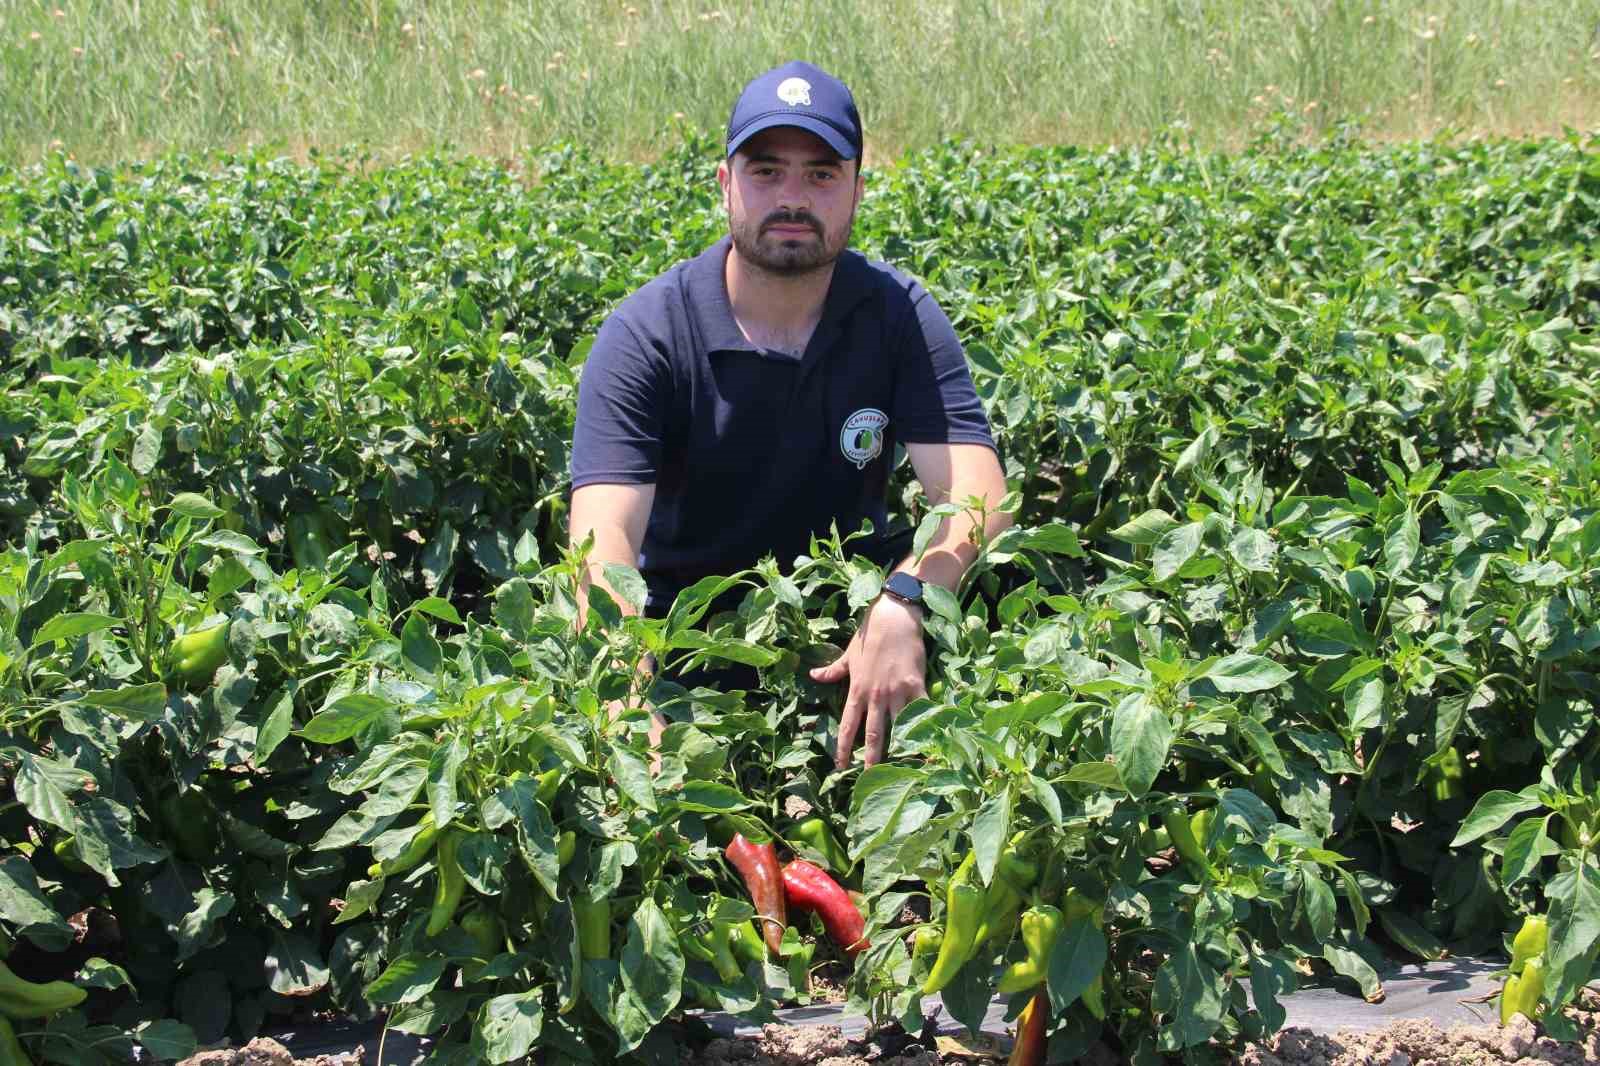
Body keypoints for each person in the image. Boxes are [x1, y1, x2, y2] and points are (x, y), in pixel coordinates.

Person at [568, 60, 1010, 769]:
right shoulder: (648, 334)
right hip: (687, 647)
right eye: (767, 171)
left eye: (822, 174)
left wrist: (906, 598)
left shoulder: (896, 314)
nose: (793, 198)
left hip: (851, 630)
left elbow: (980, 497)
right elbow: (603, 540)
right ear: (726, 184)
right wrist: (627, 691)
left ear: (858, 190)